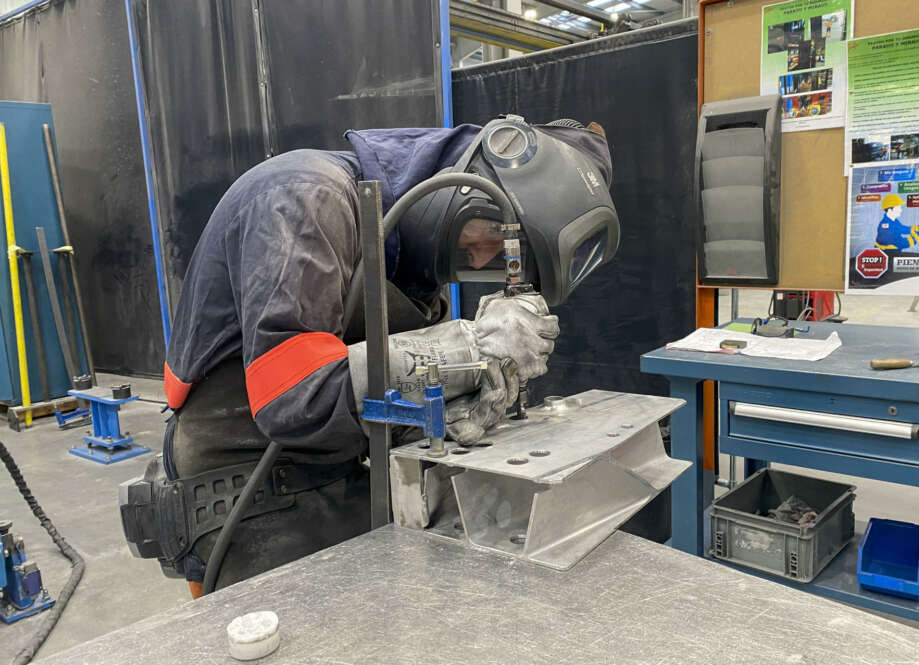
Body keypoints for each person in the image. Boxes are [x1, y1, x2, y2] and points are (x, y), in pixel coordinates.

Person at [119, 117, 620, 596]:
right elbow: (294, 398)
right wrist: (473, 349)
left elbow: (384, 398)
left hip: (336, 476)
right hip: (249, 499)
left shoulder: (405, 253)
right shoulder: (305, 197)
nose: (482, 258)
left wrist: (468, 398)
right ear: (470, 185)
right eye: (487, 236)